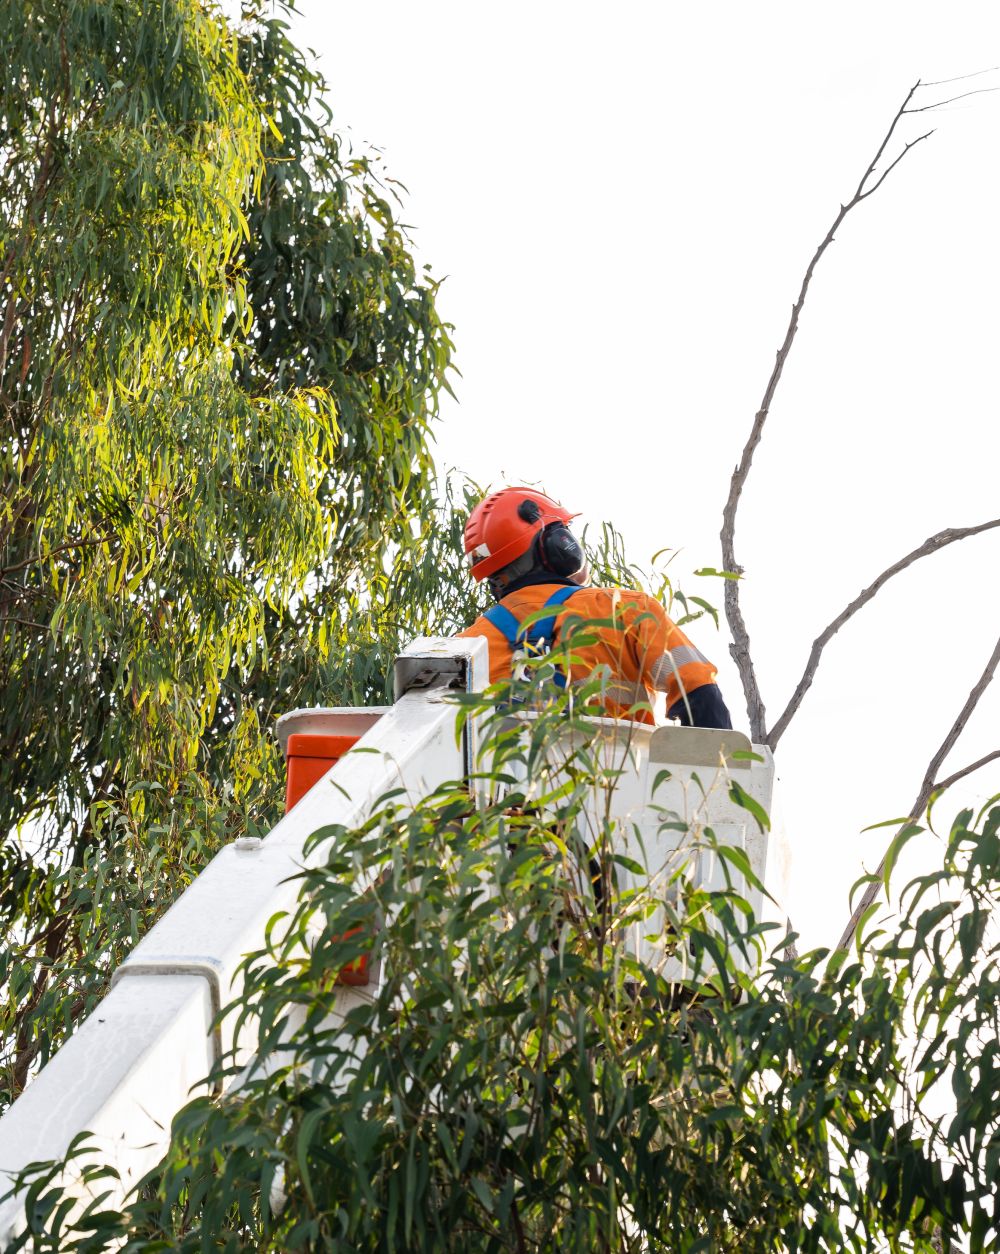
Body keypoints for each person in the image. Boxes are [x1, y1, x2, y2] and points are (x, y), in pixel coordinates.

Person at [456, 487, 732, 729]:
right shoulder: (627, 610)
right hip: (623, 784)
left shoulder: (464, 648)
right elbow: (700, 695)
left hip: (504, 789)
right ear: (558, 546)